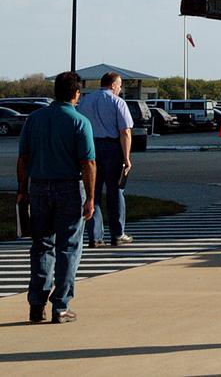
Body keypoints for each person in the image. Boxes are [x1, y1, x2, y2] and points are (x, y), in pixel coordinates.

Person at [16, 71, 96, 323]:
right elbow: (88, 163)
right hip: (69, 188)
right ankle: (60, 305)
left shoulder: (34, 119)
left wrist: (22, 189)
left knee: (41, 246)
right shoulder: (79, 122)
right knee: (68, 248)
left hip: (38, 188)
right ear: (76, 94)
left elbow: (23, 158)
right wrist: (91, 197)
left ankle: (36, 304)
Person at [76, 71, 133, 247]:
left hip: (90, 147)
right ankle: (117, 234)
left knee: (93, 192)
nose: (120, 89)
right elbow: (125, 131)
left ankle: (95, 236)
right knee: (115, 191)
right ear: (113, 85)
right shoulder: (118, 102)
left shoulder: (86, 101)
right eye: (120, 85)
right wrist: (126, 157)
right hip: (112, 148)